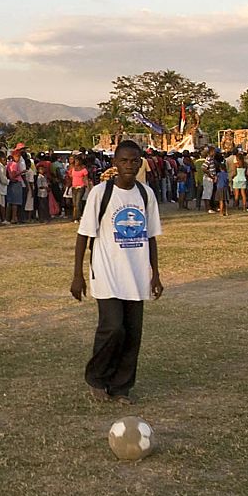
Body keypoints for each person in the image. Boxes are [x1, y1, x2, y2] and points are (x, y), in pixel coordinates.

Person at [69, 141, 163, 404]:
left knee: (132, 333)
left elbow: (152, 236)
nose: (129, 166)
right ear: (115, 163)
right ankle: (97, 378)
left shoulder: (146, 195)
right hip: (107, 272)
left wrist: (155, 274)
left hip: (136, 274)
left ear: (141, 162)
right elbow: (83, 235)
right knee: (113, 328)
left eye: (135, 161)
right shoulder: (101, 193)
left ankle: (121, 387)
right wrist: (78, 275)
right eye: (124, 161)